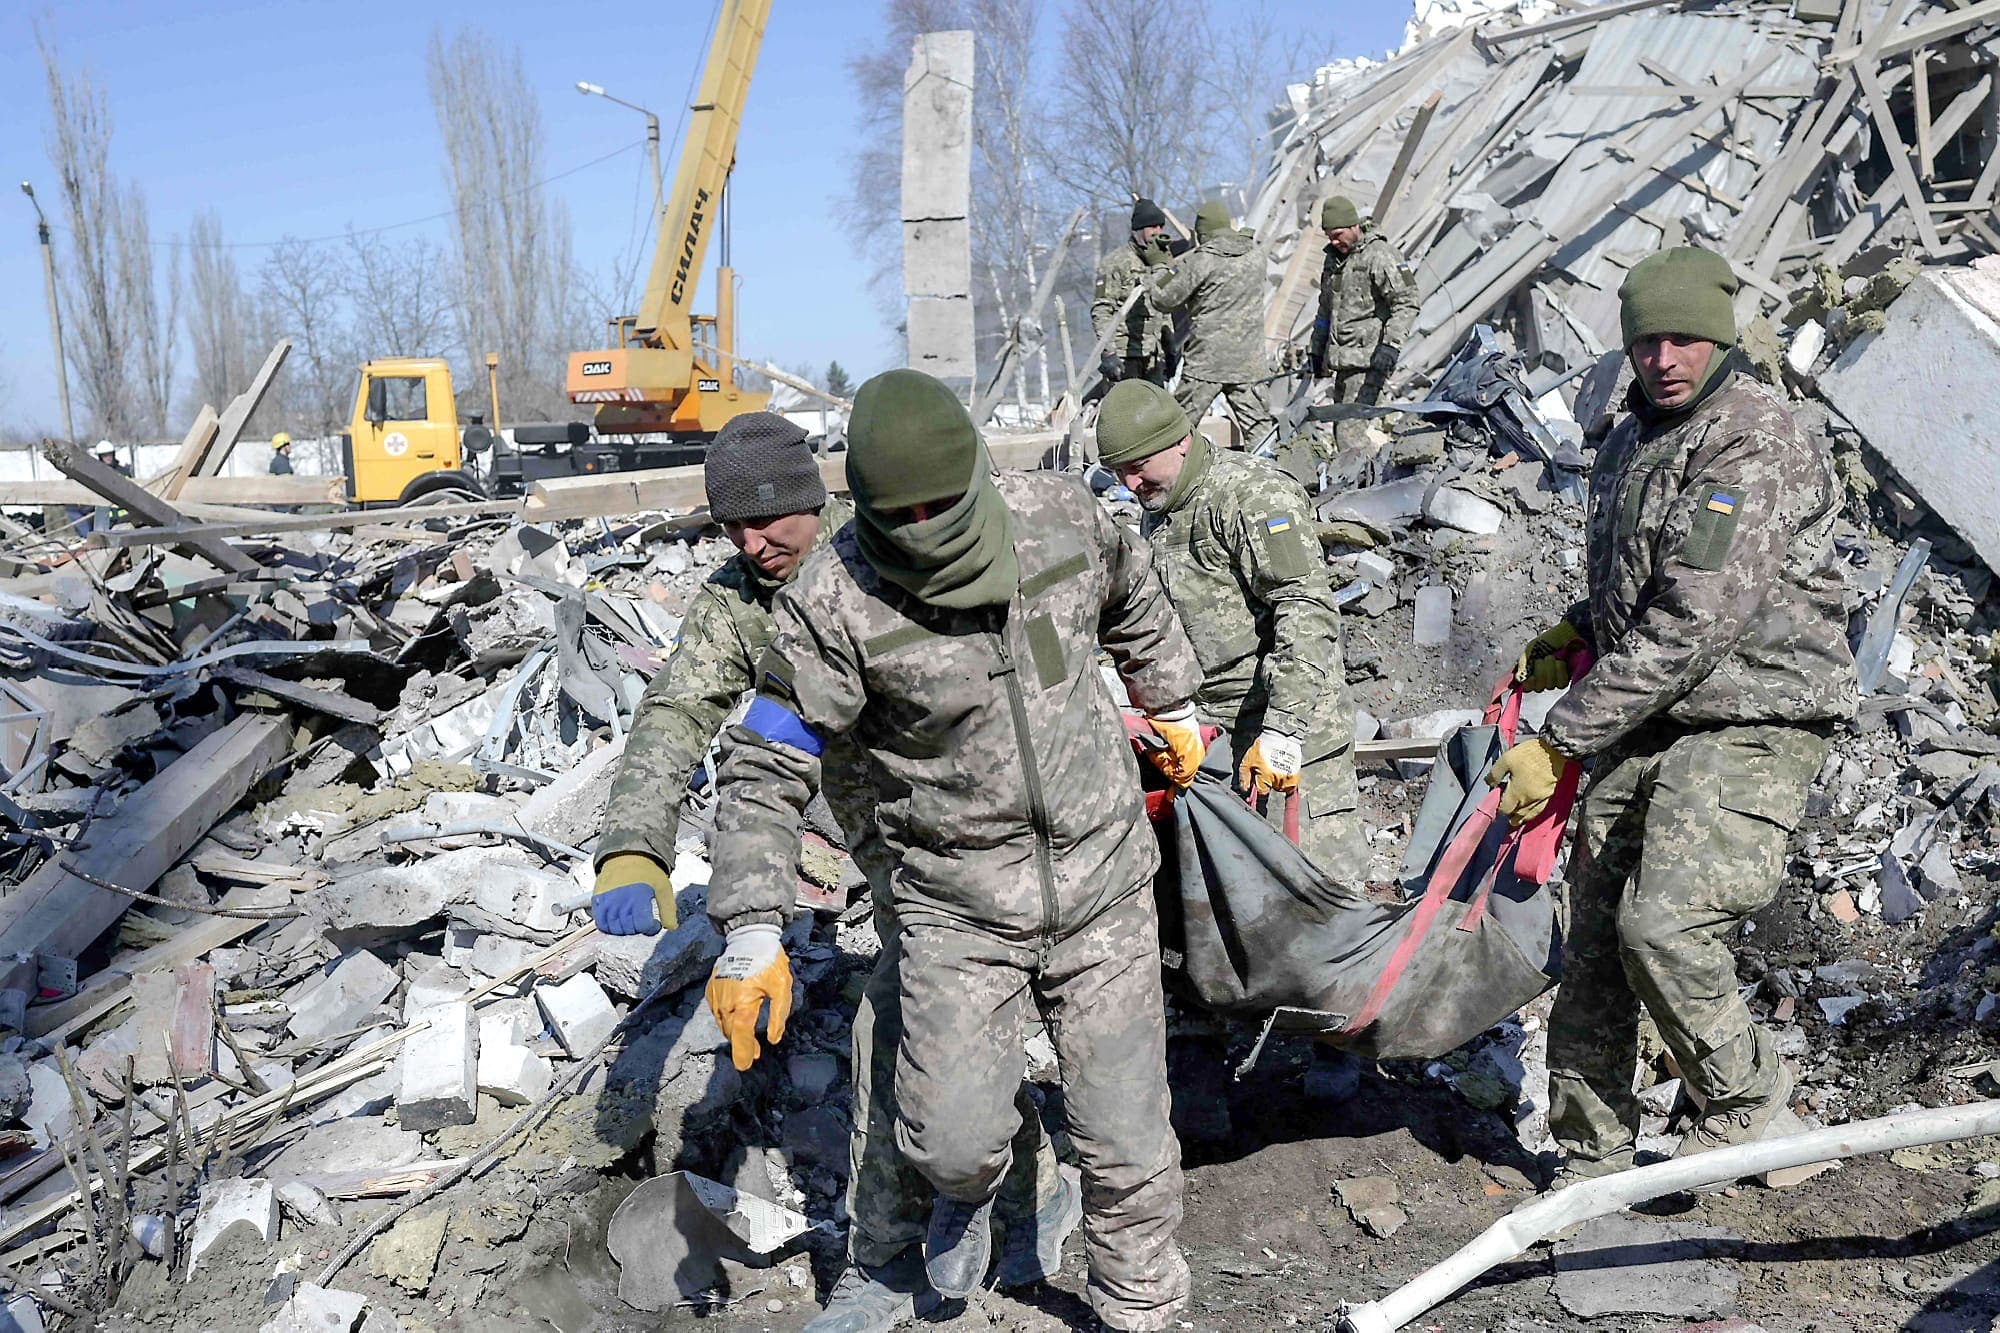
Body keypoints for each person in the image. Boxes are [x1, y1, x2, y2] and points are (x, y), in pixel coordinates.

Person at [703, 369, 1204, 1331]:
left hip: (1102, 882)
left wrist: (1168, 692)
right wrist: (751, 925)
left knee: (1127, 1138)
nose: (931, 526)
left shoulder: (1059, 516)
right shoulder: (835, 601)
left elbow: (1132, 590)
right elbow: (767, 758)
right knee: (951, 1140)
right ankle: (968, 1194)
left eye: (946, 503)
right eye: (909, 514)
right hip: (957, 906)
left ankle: (1143, 1307)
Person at [591, 411, 1071, 1332]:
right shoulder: (740, 603)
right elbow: (674, 712)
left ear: (811, 499)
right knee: (893, 1029)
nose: (749, 542)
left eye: (767, 521)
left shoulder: (886, 548)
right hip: (883, 852)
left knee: (989, 1021)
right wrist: (634, 842)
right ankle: (883, 1260)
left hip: (982, 827)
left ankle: (1021, 1201)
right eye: (729, 525)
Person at [1489, 247, 1856, 1183]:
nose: (1664, 359)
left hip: (1753, 714)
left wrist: (1560, 735)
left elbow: (1697, 617)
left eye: (1685, 339)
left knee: (1666, 924)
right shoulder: (1630, 436)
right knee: (1598, 932)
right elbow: (1646, 581)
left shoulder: (1752, 440)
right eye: (1648, 341)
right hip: (1650, 710)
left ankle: (1753, 1108)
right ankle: (1591, 1150)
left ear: (1721, 339)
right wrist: (1578, 630)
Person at [1096, 378, 1367, 883]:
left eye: (1137, 468)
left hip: (1291, 747)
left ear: (1180, 440)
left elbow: (1306, 609)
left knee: (1319, 916)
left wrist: (1284, 728)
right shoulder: (1165, 505)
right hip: (1220, 751)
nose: (1129, 485)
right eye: (1118, 473)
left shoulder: (1251, 495)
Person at [1144, 201, 1273, 448]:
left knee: (1177, 430)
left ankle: (1172, 481)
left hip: (1207, 363)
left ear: (1202, 233)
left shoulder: (1202, 259)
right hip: (1249, 362)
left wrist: (1160, 265)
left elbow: (1164, 298)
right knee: (1260, 433)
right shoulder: (1256, 256)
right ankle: (1275, 479)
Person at [1307, 196, 1419, 456]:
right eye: (1329, 236)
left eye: (1338, 234)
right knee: (1342, 432)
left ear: (1354, 225)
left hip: (1369, 362)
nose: (1334, 242)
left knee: (1350, 434)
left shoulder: (1381, 255)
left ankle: (1366, 491)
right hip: (1343, 363)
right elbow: (1326, 309)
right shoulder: (1334, 261)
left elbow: (1407, 301)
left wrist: (1390, 346)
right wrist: (1317, 350)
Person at [1090, 198, 1177, 391]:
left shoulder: (1161, 263)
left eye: (1160, 227)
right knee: (1126, 415)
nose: (1157, 232)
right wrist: (1109, 352)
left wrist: (1170, 347)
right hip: (1125, 357)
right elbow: (1101, 310)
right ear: (1138, 230)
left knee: (1157, 415)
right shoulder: (1115, 263)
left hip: (1153, 358)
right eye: (1152, 227)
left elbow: (1164, 308)